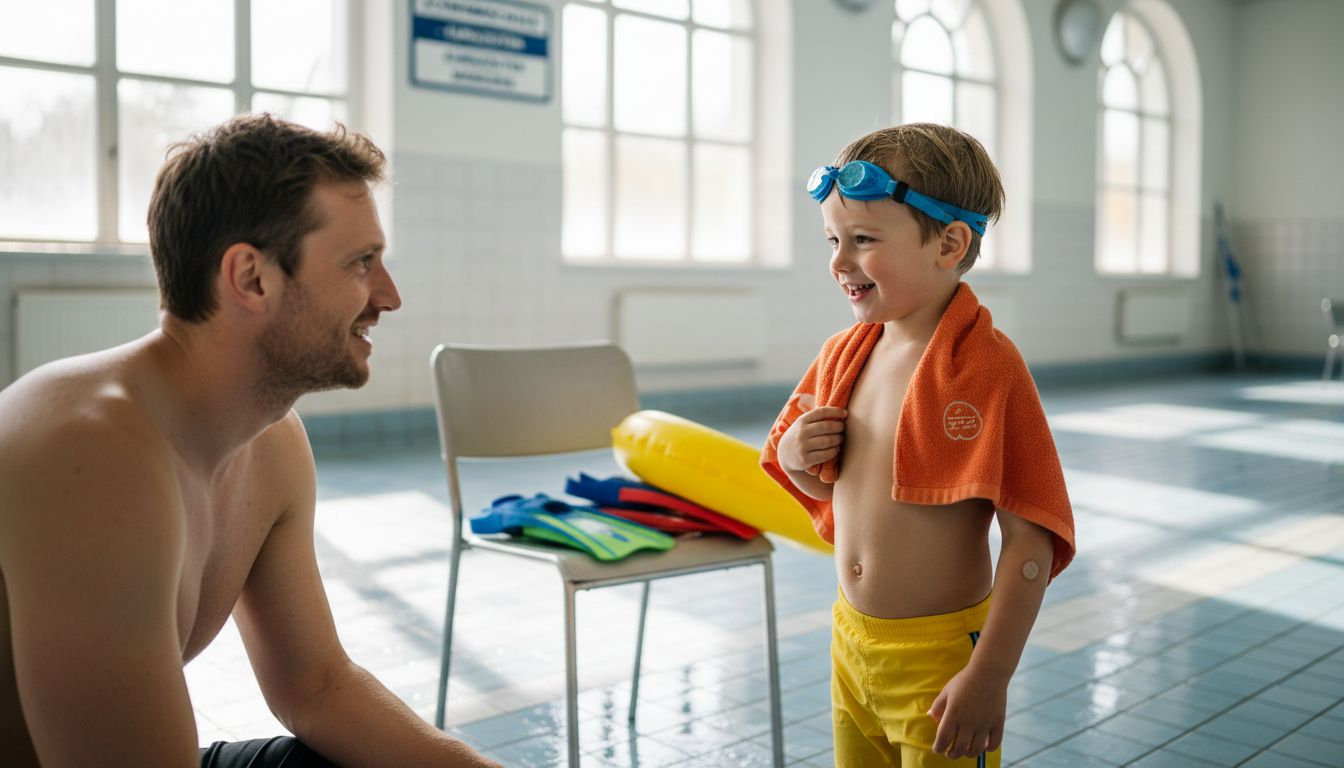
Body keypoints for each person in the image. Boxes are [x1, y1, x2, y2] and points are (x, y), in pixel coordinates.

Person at [0, 114, 500, 768]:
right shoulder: (91, 455)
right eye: (361, 263)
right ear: (252, 278)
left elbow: (315, 685)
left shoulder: (272, 444)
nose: (389, 296)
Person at [760, 123, 1076, 767]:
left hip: (941, 657)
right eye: (833, 240)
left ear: (950, 243)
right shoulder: (844, 355)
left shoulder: (988, 366)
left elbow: (1030, 538)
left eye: (864, 240)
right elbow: (831, 486)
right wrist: (797, 456)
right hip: (850, 641)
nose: (839, 261)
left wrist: (988, 678)